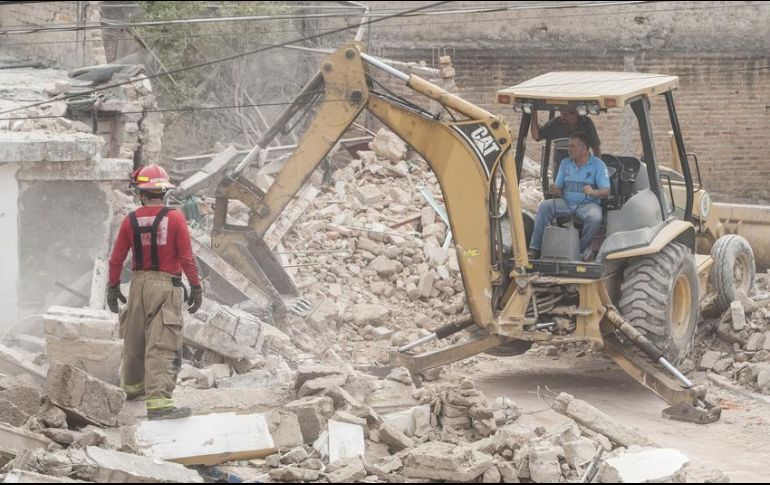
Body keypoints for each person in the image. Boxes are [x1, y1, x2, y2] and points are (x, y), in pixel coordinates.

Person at [106, 164, 203, 420]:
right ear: (164, 192)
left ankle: (133, 387)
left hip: (137, 285)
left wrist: (113, 286)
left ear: (140, 192)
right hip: (165, 285)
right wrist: (196, 285)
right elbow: (186, 257)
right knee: (162, 339)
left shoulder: (130, 220)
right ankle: (159, 403)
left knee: (135, 337)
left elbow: (116, 259)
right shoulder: (176, 218)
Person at [528, 133, 610, 260]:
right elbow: (559, 188)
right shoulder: (565, 163)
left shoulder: (598, 165)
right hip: (566, 203)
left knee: (595, 217)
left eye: (572, 146)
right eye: (568, 146)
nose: (568, 149)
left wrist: (594, 192)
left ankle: (578, 249)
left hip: (587, 205)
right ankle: (535, 248)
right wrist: (556, 191)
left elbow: (606, 191)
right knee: (545, 206)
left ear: (583, 148)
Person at [531, 106, 602, 157]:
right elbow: (536, 136)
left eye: (566, 115)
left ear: (575, 113)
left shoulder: (586, 123)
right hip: (560, 168)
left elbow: (595, 147)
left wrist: (598, 168)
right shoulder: (555, 124)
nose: (562, 117)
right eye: (561, 114)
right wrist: (534, 112)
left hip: (581, 168)